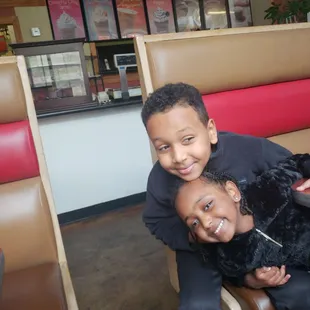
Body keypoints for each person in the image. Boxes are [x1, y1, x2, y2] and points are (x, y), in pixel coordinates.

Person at [141, 82, 310, 310]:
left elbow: (292, 163)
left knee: (299, 292)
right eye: (163, 148)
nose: (179, 156)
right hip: (202, 252)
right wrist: (194, 237)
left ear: (210, 131)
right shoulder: (160, 180)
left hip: (259, 241)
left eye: (188, 139)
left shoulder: (246, 149)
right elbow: (156, 221)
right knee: (197, 304)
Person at [174, 154, 310, 285]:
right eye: (195, 223)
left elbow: (298, 161)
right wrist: (251, 281)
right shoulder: (228, 256)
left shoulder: (269, 188)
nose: (206, 223)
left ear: (232, 192)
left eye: (208, 205)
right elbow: (231, 276)